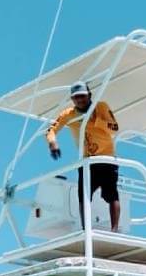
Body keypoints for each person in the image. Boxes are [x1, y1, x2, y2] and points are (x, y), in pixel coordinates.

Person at [45, 82, 121, 232]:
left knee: (111, 194)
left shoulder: (101, 107)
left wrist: (96, 121)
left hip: (106, 158)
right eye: (76, 98)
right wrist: (52, 143)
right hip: (87, 161)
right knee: (83, 195)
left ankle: (115, 230)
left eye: (82, 96)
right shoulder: (68, 114)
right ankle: (86, 229)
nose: (79, 100)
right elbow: (51, 130)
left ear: (89, 95)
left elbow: (115, 128)